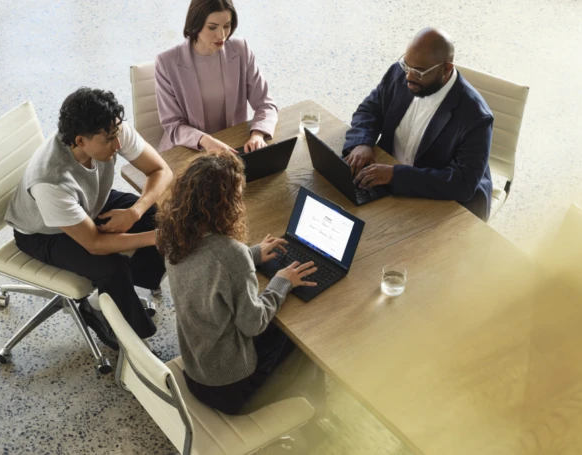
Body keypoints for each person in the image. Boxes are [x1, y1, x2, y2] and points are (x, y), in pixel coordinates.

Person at [4, 88, 173, 348]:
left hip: (89, 203)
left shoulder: (109, 128)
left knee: (159, 217)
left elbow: (161, 170)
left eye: (117, 136)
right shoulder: (51, 180)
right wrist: (156, 238)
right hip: (43, 232)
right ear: (80, 141)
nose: (117, 146)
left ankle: (107, 297)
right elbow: (94, 244)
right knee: (111, 268)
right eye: (109, 141)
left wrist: (134, 213)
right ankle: (126, 337)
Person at [156, 151, 316, 415]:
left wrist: (251, 255)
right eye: (238, 196)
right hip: (235, 389)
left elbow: (207, 274)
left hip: (197, 373)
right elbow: (253, 324)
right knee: (302, 336)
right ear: (225, 204)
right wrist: (280, 282)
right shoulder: (230, 253)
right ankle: (313, 413)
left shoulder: (173, 236)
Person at [343, 28, 494, 220]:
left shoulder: (476, 117)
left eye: (419, 72)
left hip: (445, 200)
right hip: (387, 176)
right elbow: (369, 110)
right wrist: (362, 143)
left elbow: (461, 184)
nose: (408, 77)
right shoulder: (399, 73)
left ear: (446, 68)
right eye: (407, 66)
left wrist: (395, 176)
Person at [155, 0, 277, 154]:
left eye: (227, 25)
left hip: (232, 145)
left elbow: (266, 104)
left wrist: (258, 134)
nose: (222, 35)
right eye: (212, 27)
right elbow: (173, 125)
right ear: (196, 24)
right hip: (188, 150)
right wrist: (206, 140)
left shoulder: (241, 50)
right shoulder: (167, 63)